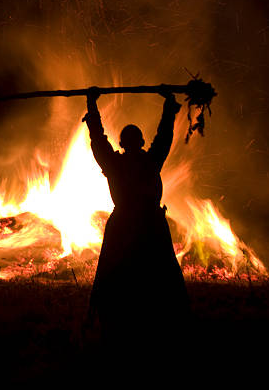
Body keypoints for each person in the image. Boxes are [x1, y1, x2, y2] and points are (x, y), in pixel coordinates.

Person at [83, 85, 190, 351]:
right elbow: (165, 135)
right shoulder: (151, 160)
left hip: (124, 225)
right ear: (141, 143)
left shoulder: (113, 164)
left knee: (115, 278)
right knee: (162, 278)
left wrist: (92, 104)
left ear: (122, 143)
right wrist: (168, 104)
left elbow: (97, 139)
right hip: (150, 224)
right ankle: (165, 327)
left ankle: (119, 328)